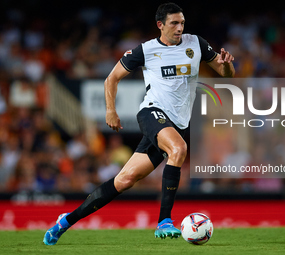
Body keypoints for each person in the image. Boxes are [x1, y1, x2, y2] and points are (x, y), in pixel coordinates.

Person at [43, 2, 234, 245]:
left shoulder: (195, 43)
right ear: (160, 25)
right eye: (174, 23)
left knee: (123, 181)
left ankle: (66, 221)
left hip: (178, 123)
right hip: (152, 113)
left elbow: (226, 73)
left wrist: (227, 64)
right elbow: (111, 79)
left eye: (182, 23)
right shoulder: (145, 50)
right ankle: (164, 221)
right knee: (178, 149)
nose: (179, 28)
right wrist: (110, 110)